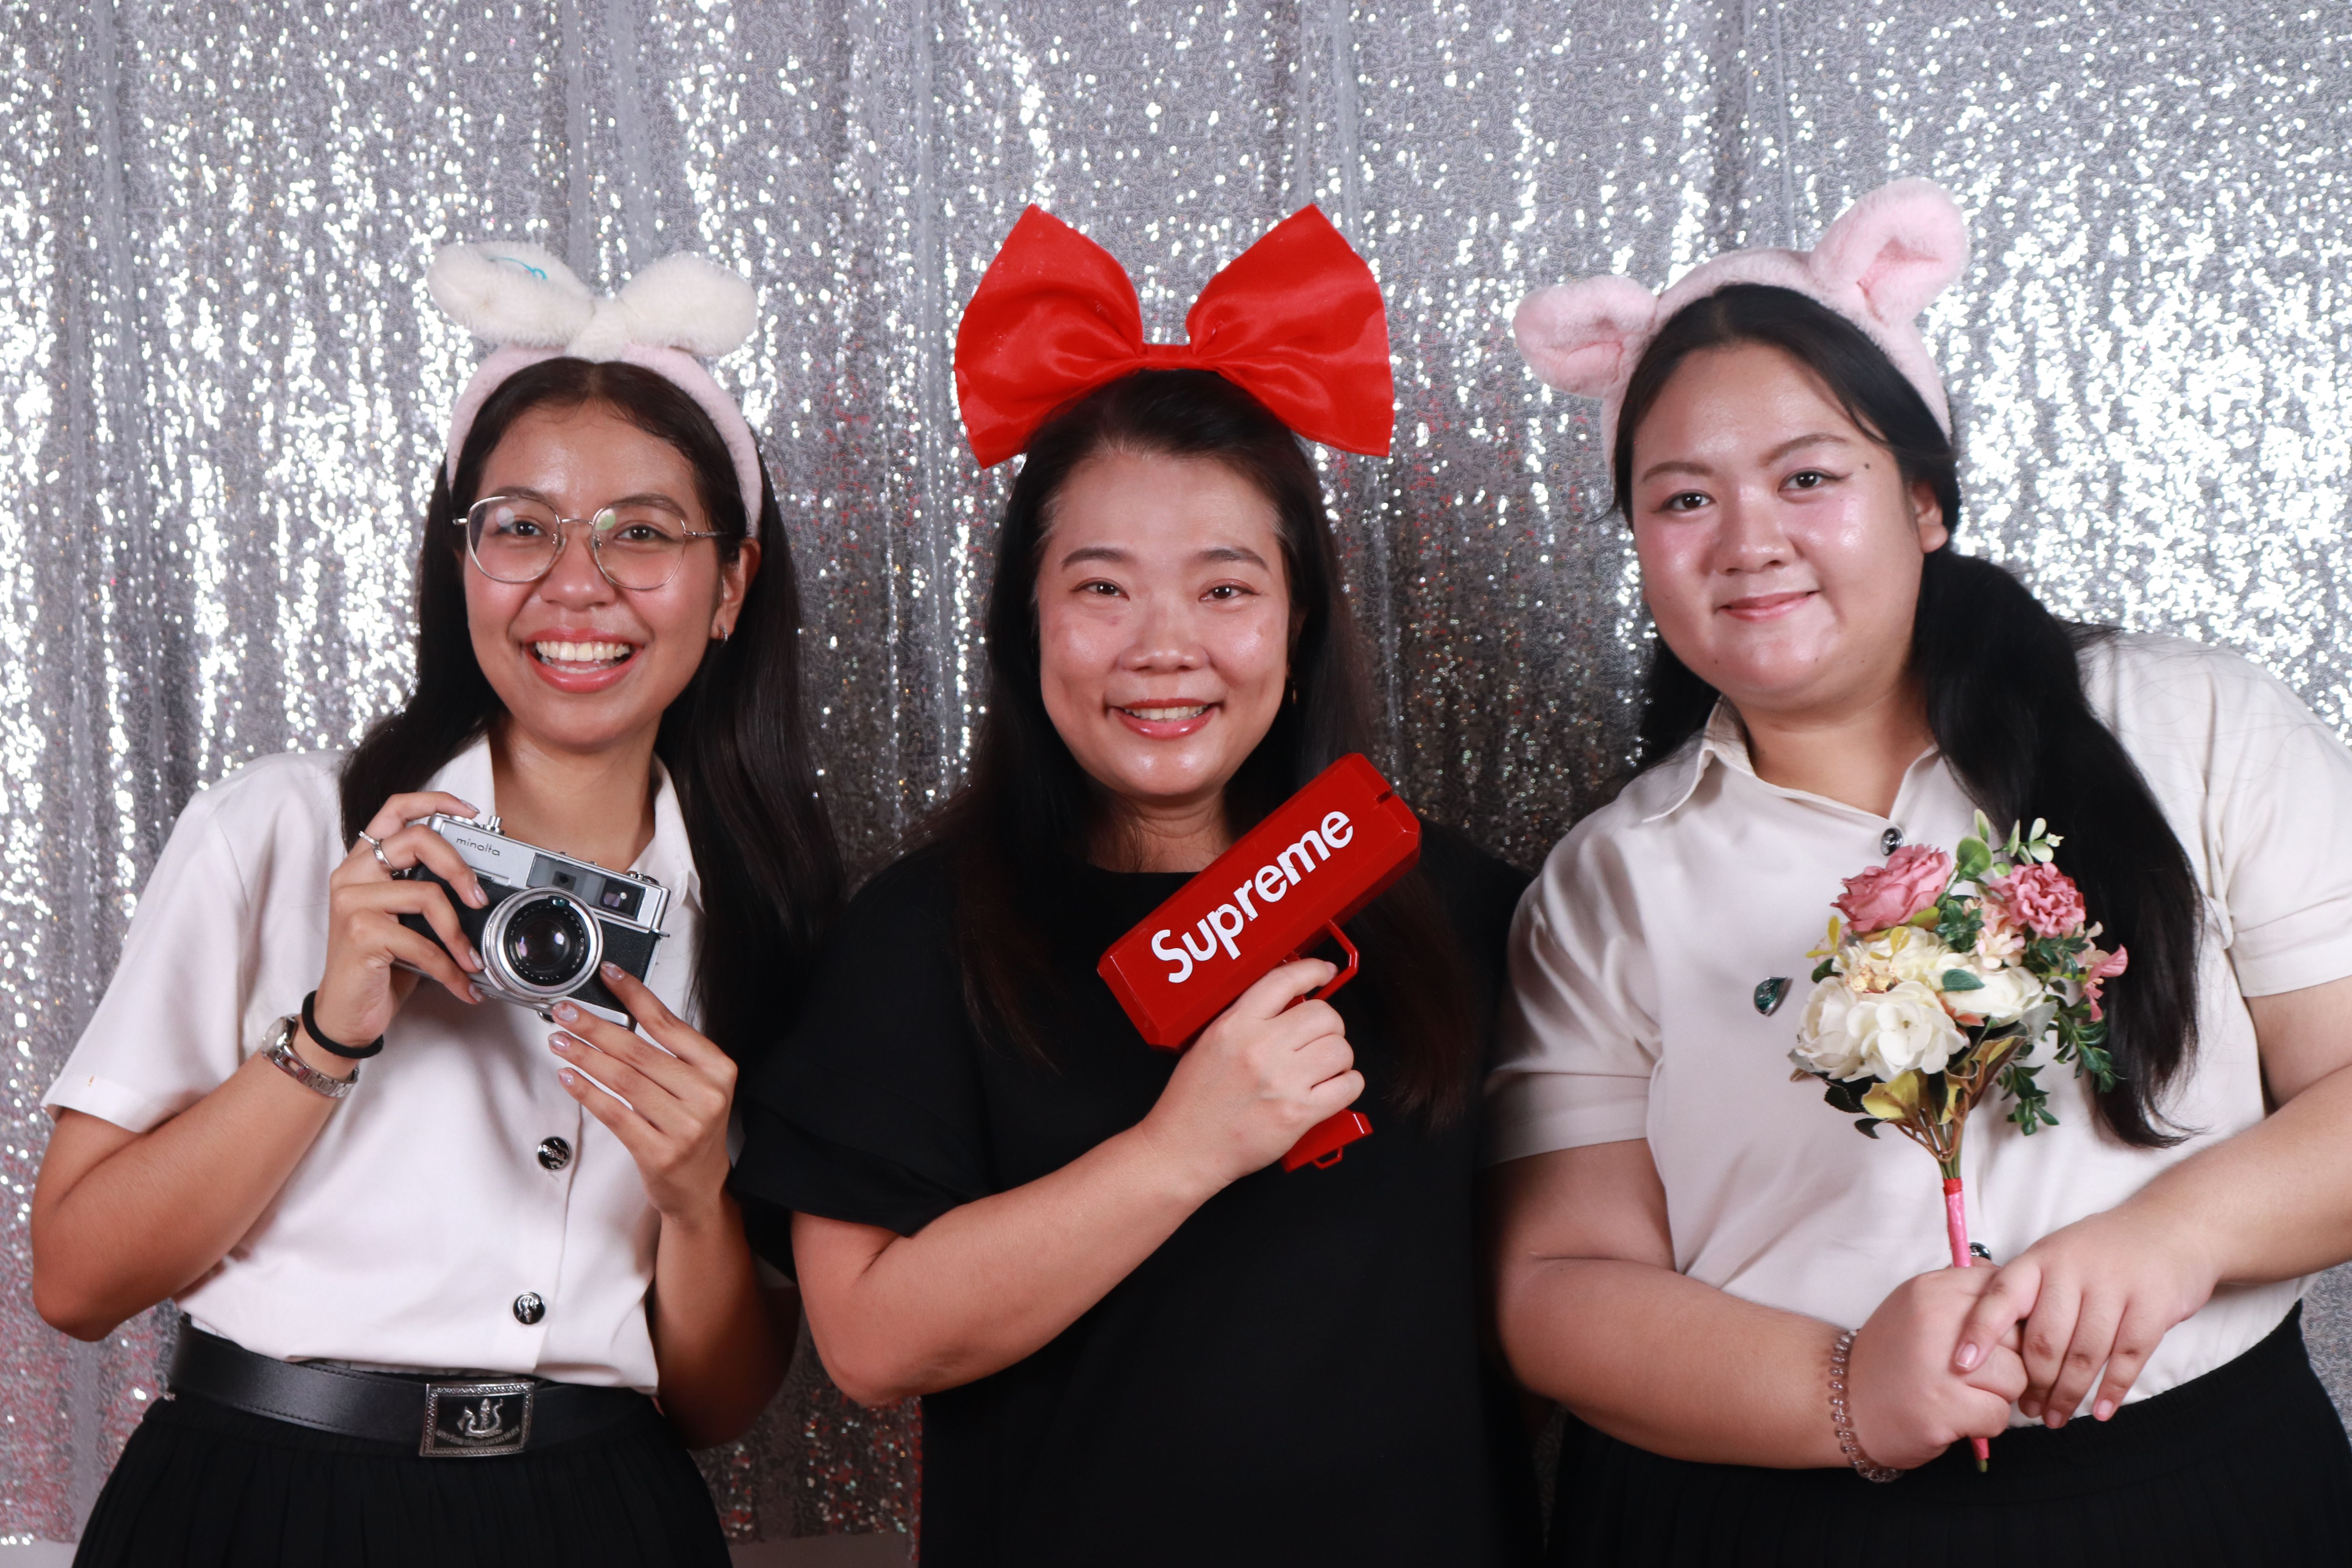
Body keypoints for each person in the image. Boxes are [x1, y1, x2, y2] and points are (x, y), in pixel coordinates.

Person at [1489, 178, 2352, 1564]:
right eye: (1684, 498)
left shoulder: (2192, 722)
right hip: (1759, 1516)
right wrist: (1843, 1389)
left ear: (1925, 497)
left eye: (1809, 477)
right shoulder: (1606, 884)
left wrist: (2171, 1238)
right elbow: (1556, 1284)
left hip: (2188, 1490)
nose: (1749, 541)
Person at [731, 206, 1539, 1566]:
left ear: (1299, 619)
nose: (1165, 648)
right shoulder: (920, 937)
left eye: (1225, 590)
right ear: (1028, 620)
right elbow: (867, 1343)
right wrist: (1182, 1149)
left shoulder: (1460, 908)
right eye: (1103, 589)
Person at [30, 241, 841, 1568]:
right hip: (260, 1506)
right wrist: (330, 1030)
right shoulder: (283, 830)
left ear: (732, 585)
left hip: (597, 1516)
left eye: (642, 533)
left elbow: (718, 1406)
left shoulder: (761, 911)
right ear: (460, 558)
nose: (577, 585)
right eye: (521, 527)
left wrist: (697, 1200)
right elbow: (74, 1279)